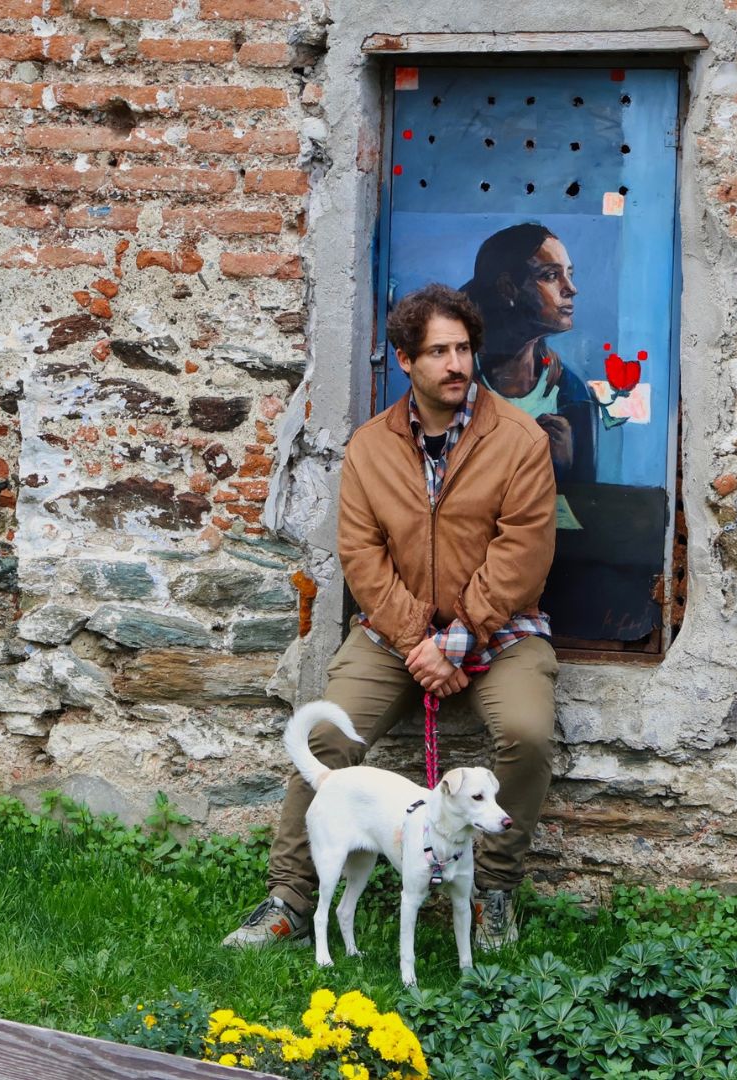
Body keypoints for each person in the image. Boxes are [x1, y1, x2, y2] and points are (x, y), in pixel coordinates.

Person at [223, 283, 560, 953]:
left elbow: (524, 550)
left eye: (463, 349)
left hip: (500, 629)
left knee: (526, 734)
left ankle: (492, 890)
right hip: (394, 633)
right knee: (328, 741)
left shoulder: (520, 439)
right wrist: (418, 642)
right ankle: (290, 899)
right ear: (405, 360)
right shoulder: (371, 446)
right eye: (437, 352)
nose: (455, 365)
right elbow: (362, 555)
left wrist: (457, 640)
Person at [459, 223, 597, 483]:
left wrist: (566, 465)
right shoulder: (459, 382)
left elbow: (586, 498)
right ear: (507, 288)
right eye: (551, 275)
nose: (571, 288)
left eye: (569, 274)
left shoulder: (570, 394)